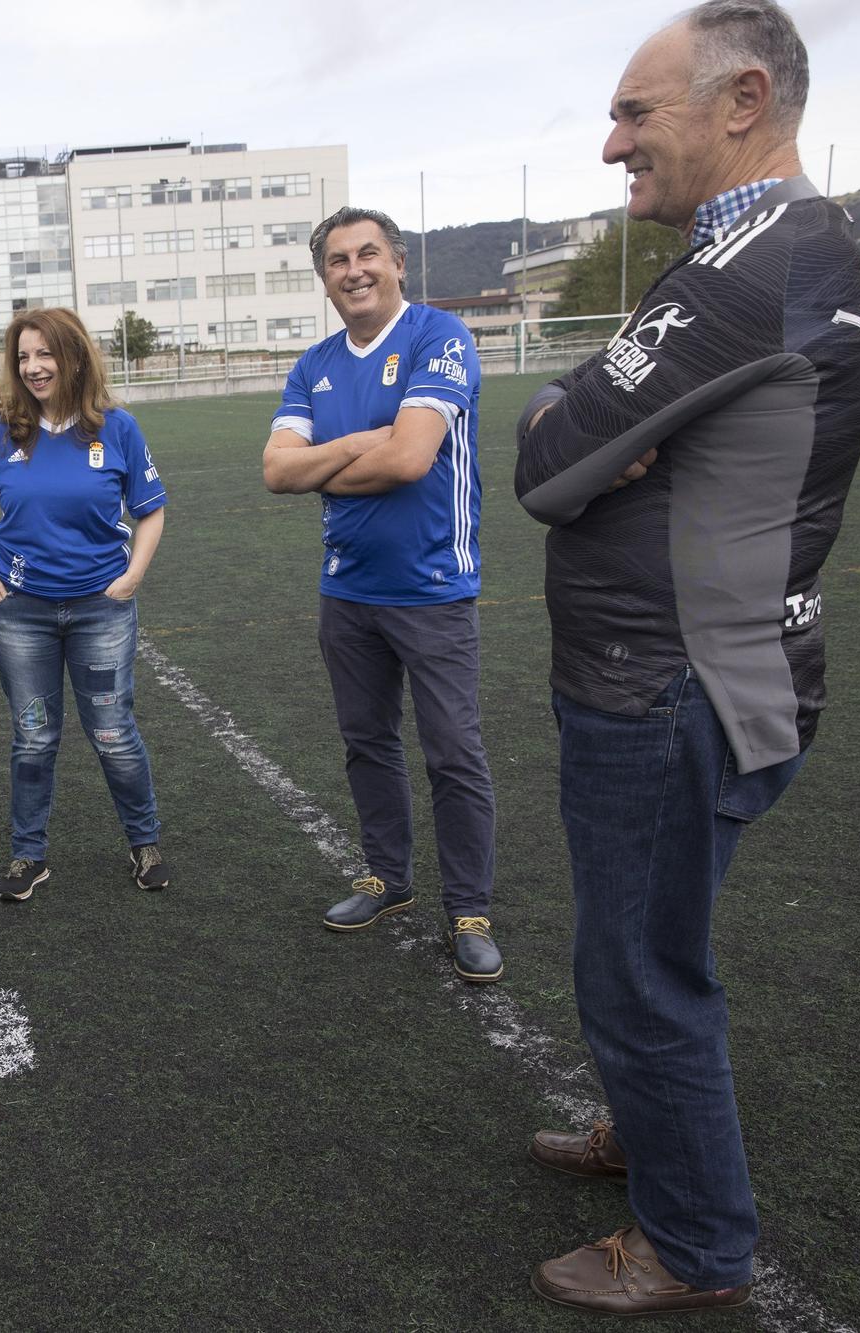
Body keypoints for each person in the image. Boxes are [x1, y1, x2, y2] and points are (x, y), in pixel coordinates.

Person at [513, 1, 860, 1314]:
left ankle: (696, 1244)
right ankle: (647, 1137)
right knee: (633, 946)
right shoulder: (753, 251)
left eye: (635, 112)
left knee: (642, 967)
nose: (613, 144)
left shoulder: (762, 259)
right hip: (678, 671)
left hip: (679, 682)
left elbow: (552, 462)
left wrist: (570, 417)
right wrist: (584, 412)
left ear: (739, 103)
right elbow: (585, 424)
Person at [262, 207, 501, 984]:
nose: (354, 269)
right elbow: (275, 471)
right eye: (338, 260)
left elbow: (409, 460)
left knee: (453, 752)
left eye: (369, 254)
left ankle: (469, 908)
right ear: (324, 277)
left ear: (398, 262)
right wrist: (363, 442)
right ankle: (388, 879)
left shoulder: (440, 336)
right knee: (367, 742)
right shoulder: (315, 365)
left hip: (432, 590)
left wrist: (329, 463)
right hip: (347, 589)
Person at [0, 307, 169, 902]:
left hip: (102, 610)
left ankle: (144, 842)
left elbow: (151, 511)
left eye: (45, 354)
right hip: (20, 614)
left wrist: (132, 577)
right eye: (23, 357)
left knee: (114, 732)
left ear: (73, 357)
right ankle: (28, 856)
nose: (34, 367)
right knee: (34, 736)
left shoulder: (117, 428)